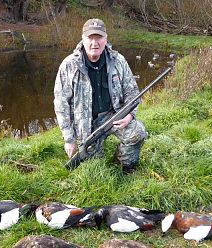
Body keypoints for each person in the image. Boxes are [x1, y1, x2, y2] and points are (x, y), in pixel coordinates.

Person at [54, 18, 148, 173]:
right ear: (83, 39)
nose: (94, 43)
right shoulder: (69, 65)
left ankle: (125, 163)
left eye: (99, 38)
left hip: (113, 116)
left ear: (106, 39)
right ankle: (90, 154)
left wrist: (129, 116)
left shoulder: (118, 61)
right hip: (84, 124)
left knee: (137, 132)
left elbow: (132, 93)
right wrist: (69, 139)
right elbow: (61, 103)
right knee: (93, 166)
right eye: (90, 38)